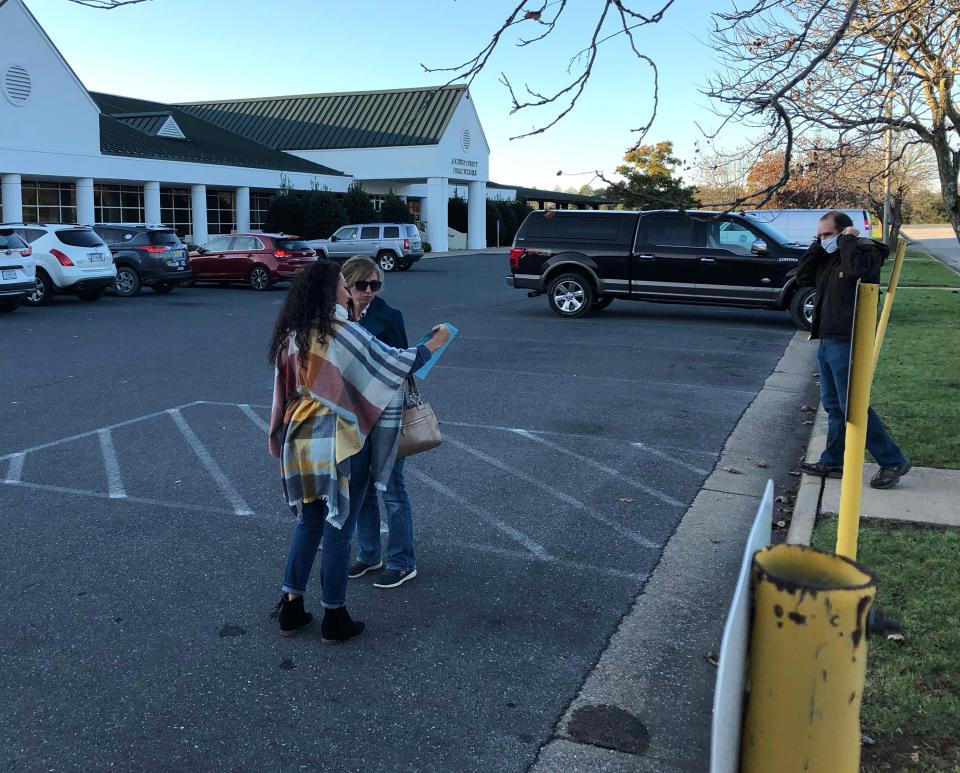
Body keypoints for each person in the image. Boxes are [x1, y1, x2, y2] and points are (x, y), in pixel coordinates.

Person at [267, 260, 450, 642]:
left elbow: (281, 393)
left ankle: (291, 604)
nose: (347, 291)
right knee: (339, 526)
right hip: (340, 439)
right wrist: (436, 341)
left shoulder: (292, 336)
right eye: (341, 285)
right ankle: (334, 615)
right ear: (329, 292)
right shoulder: (342, 332)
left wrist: (278, 436)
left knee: (309, 520)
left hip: (300, 437)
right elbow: (392, 365)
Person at [796, 211, 910, 489]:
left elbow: (856, 274)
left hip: (848, 340)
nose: (824, 240)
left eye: (828, 235)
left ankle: (892, 460)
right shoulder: (829, 256)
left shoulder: (865, 252)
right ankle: (833, 460)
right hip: (826, 339)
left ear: (846, 232)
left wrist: (847, 243)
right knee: (834, 406)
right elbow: (803, 278)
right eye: (819, 235)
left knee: (853, 407)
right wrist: (815, 247)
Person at [340, 256, 419, 589]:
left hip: (386, 413)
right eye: (362, 285)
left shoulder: (390, 316)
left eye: (375, 285)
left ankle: (402, 561)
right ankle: (369, 553)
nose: (369, 291)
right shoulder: (338, 319)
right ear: (347, 285)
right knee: (360, 488)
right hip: (352, 414)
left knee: (392, 489)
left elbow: (407, 365)